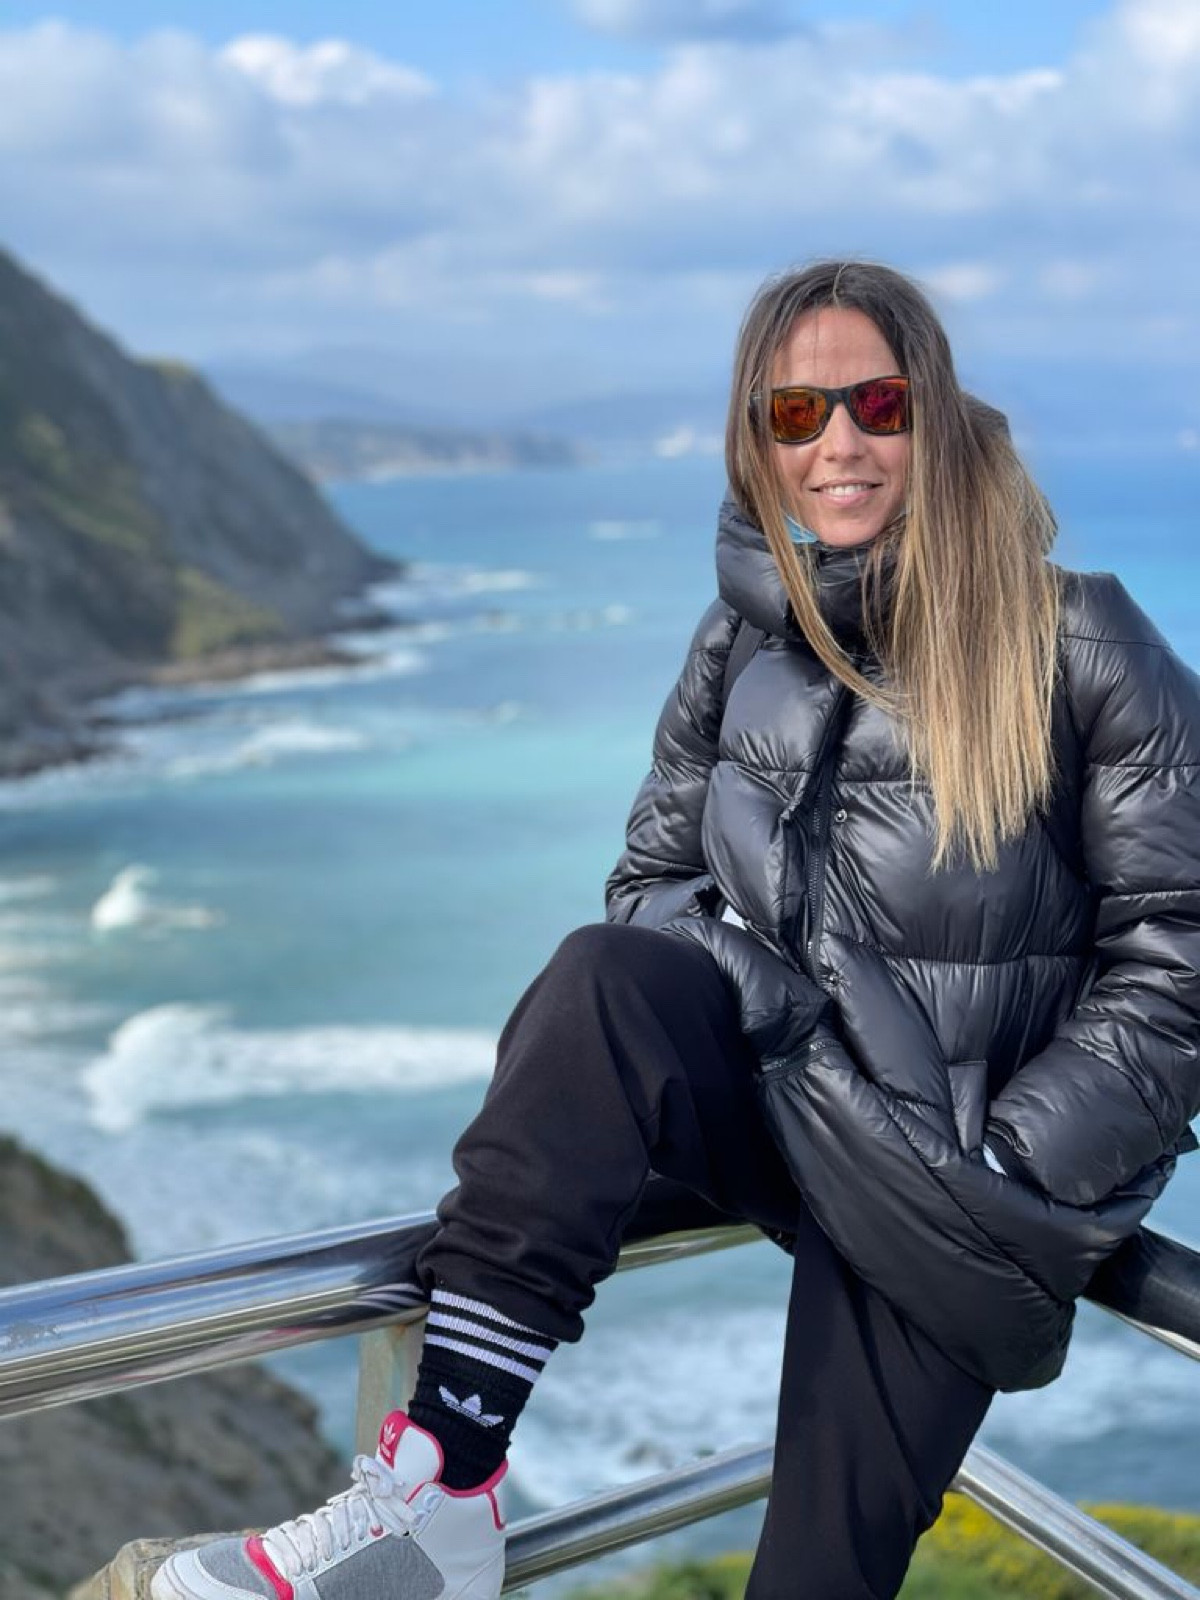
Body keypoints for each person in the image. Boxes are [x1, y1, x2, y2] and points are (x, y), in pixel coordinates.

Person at [150, 260, 1200, 1600]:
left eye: (876, 404)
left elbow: (1181, 953)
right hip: (791, 1105)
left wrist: (1008, 1153)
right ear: (757, 441)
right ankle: (442, 1487)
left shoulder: (1079, 637)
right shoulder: (741, 639)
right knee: (605, 984)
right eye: (797, 412)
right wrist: (786, 1028)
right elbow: (649, 884)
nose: (839, 443)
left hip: (955, 1185)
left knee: (816, 1575)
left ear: (930, 414)